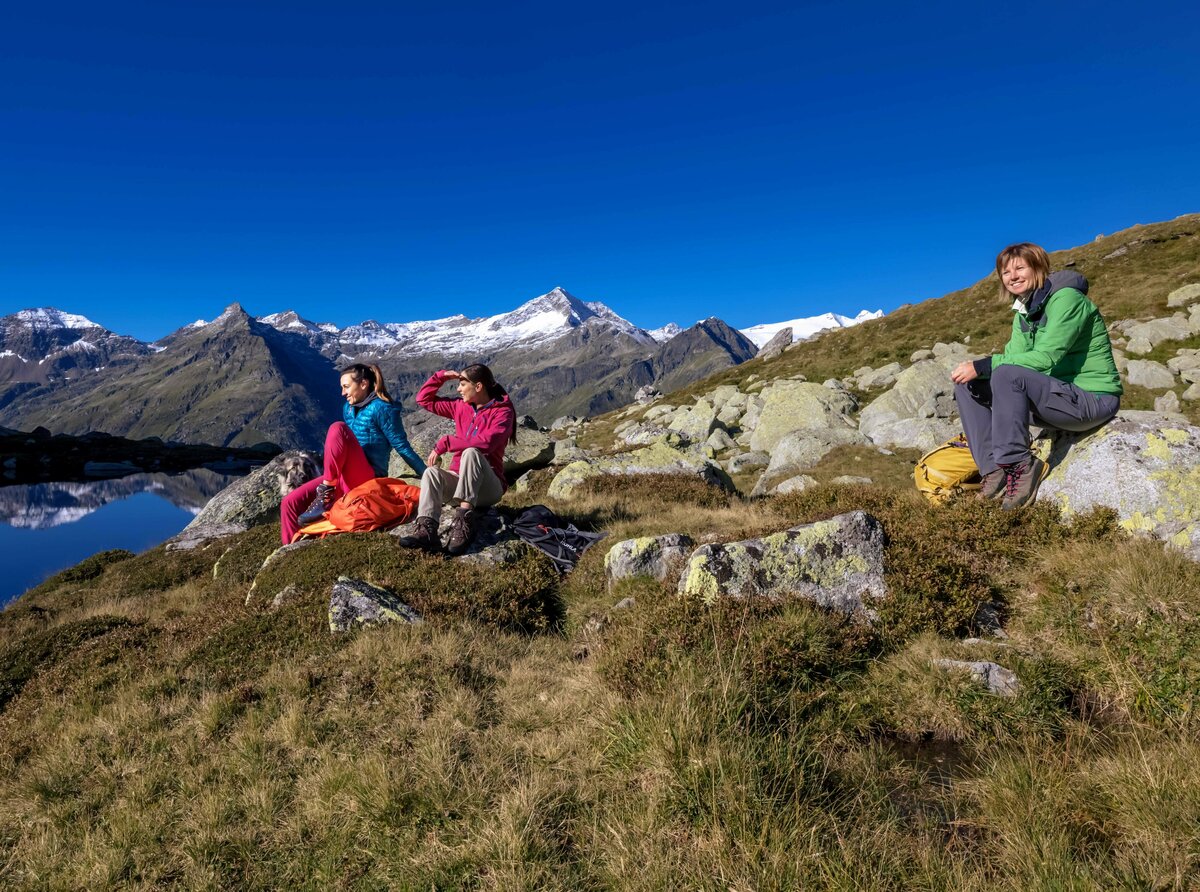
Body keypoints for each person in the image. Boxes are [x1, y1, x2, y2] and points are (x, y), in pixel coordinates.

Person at [951, 243, 1122, 510]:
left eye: (1020, 268)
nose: (1013, 276)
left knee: (1001, 372)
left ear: (1039, 268)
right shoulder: (1023, 312)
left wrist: (985, 364)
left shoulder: (1067, 300)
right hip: (1056, 399)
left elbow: (1045, 358)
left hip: (1092, 400)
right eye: (1006, 272)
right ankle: (994, 469)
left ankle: (1020, 464)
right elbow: (1013, 361)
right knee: (968, 385)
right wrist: (981, 371)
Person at [280, 363, 427, 544]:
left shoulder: (383, 408)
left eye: (346, 387)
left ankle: (325, 493)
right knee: (289, 503)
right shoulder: (348, 409)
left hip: (369, 476)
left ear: (364, 384)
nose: (343, 393)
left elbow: (402, 446)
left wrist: (427, 475)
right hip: (343, 476)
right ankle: (288, 550)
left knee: (337, 428)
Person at [398, 364, 517, 555]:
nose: (459, 389)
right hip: (459, 484)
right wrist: (441, 376)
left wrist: (447, 442)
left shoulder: (502, 412)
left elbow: (486, 444)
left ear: (478, 387)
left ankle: (464, 522)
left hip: (487, 489)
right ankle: (426, 530)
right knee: (431, 473)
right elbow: (423, 400)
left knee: (472, 452)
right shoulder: (460, 407)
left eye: (462, 384)